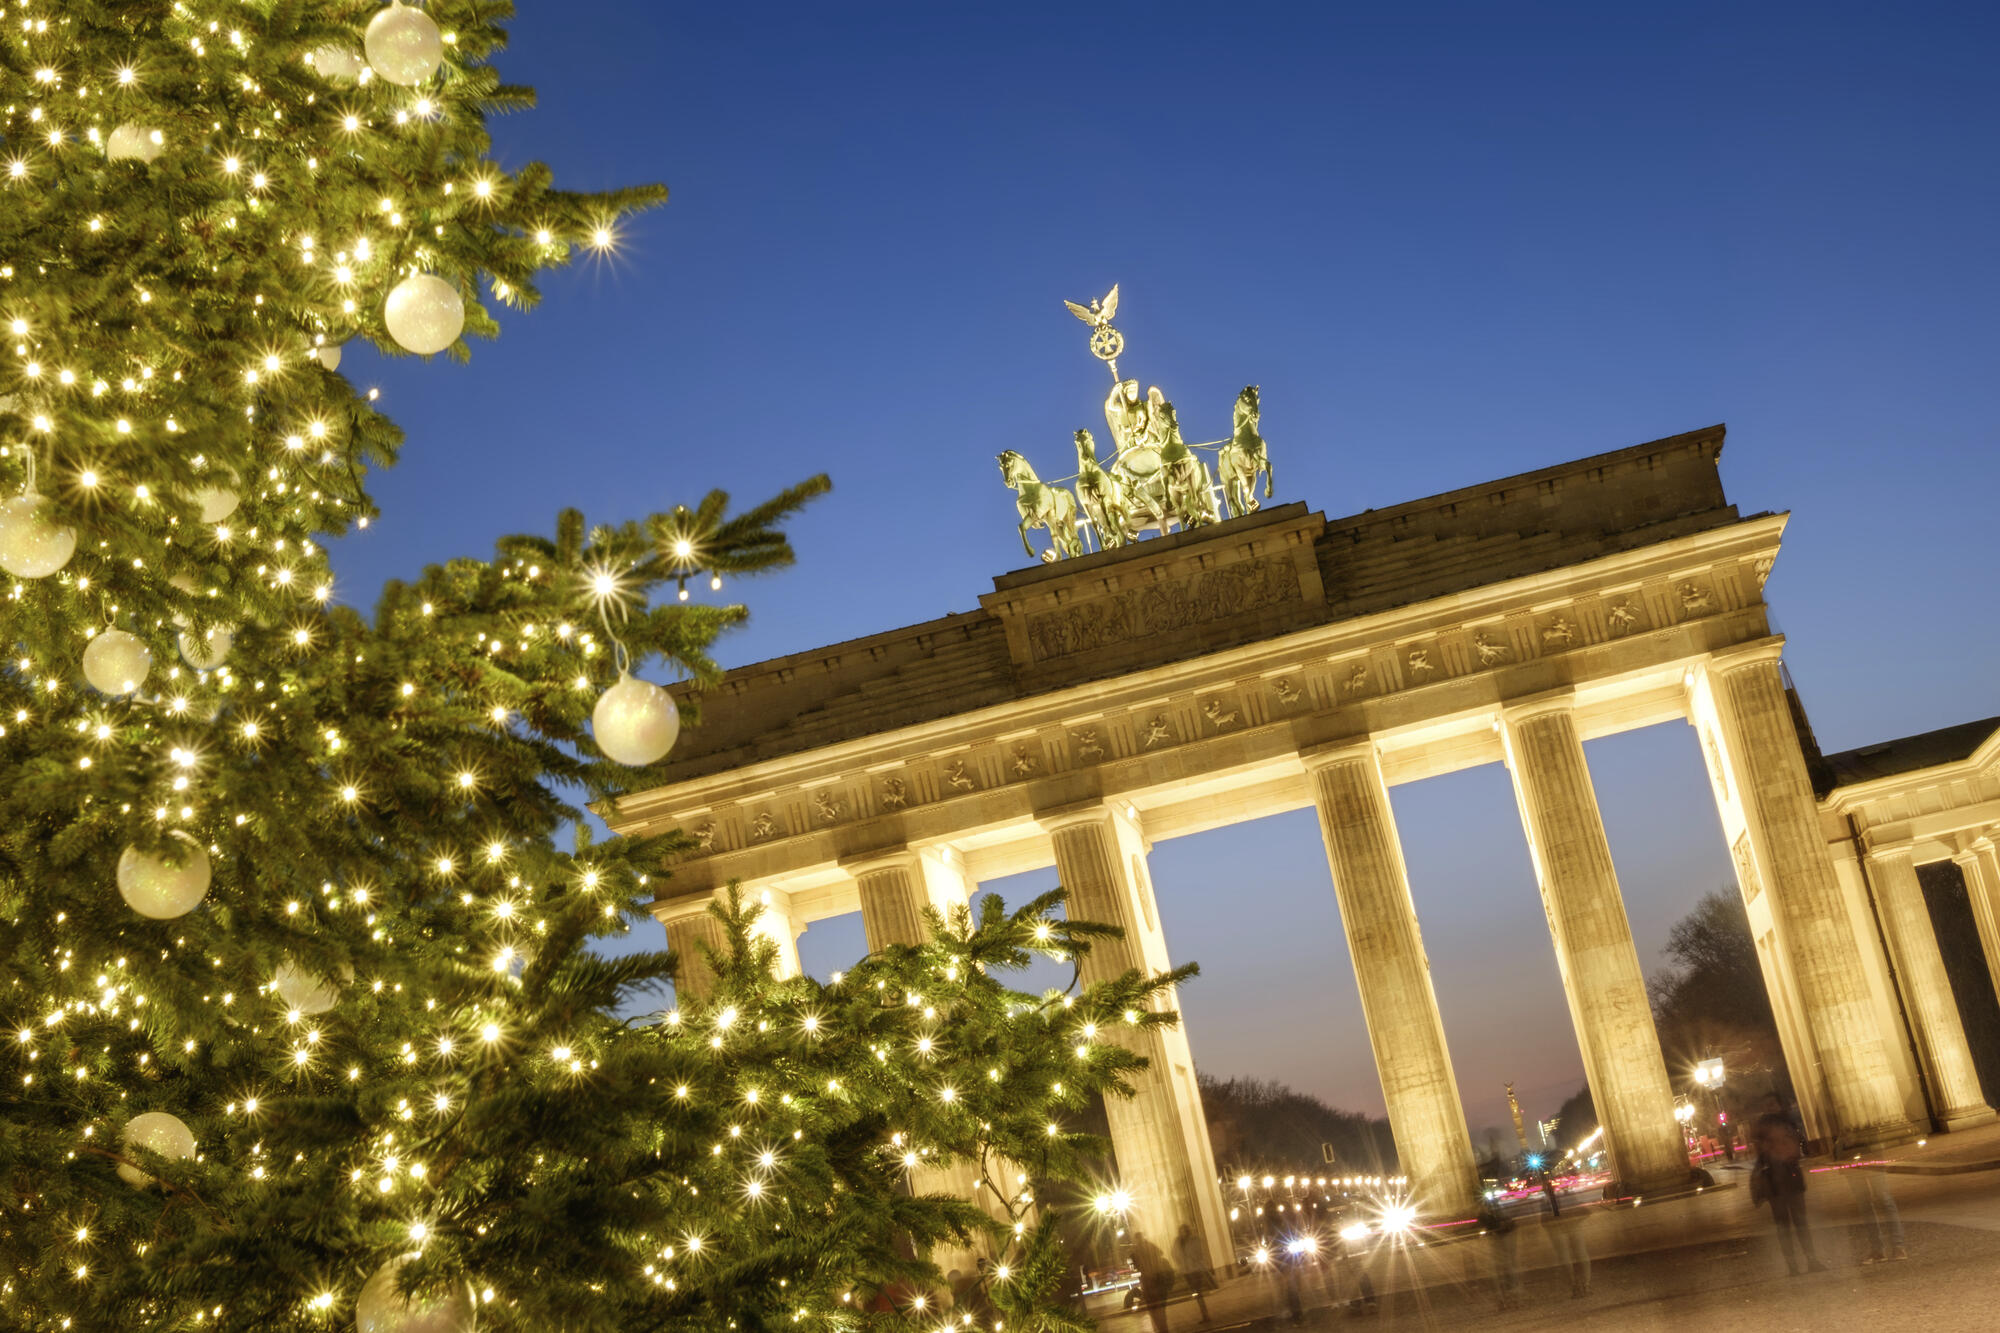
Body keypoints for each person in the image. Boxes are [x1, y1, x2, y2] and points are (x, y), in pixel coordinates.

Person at [1751, 1093, 1828, 1276]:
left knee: (1797, 1222)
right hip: (1776, 1179)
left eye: (1772, 1103)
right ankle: (1795, 1264)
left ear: (1779, 1104)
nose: (1770, 1107)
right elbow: (1761, 1152)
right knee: (1784, 1224)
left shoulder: (1784, 1122)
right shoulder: (1778, 1124)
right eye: (1767, 1104)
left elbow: (1797, 1148)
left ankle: (1809, 1260)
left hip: (1788, 1177)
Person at [1539, 1172, 1592, 1298]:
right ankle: (1585, 1284)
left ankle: (1575, 1285)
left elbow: (1544, 1220)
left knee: (1566, 1258)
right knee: (1581, 1255)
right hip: (1573, 1225)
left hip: (1558, 1228)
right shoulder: (1566, 1194)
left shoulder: (1545, 1201)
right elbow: (1580, 1208)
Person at [1843, 1162, 1908, 1264]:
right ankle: (1882, 1249)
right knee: (1868, 1203)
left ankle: (1894, 1247)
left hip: (1865, 1157)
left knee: (1881, 1200)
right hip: (1854, 1158)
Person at [1129, 1231, 1176, 1333]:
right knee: (1159, 1309)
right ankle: (1163, 1329)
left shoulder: (1137, 1251)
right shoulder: (1144, 1249)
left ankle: (1162, 1329)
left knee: (1155, 1309)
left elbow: (1137, 1265)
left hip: (1151, 1283)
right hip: (1154, 1283)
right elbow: (1160, 1252)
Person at [1172, 1223, 1214, 1324]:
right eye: (1181, 1230)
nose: (1182, 1232)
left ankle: (1205, 1315)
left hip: (1195, 1270)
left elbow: (1199, 1253)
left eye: (1184, 1230)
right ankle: (1204, 1314)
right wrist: (1180, 1263)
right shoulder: (1177, 1241)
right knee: (1196, 1292)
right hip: (1186, 1271)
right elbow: (1174, 1253)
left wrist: (1193, 1260)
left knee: (1198, 1292)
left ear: (1187, 1230)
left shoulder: (1195, 1239)